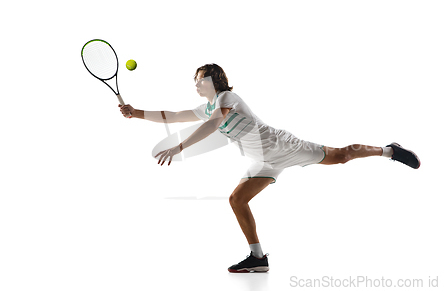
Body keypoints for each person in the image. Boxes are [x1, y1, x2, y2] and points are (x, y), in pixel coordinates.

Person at [119, 63, 420, 273]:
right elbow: (172, 115)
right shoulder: (206, 106)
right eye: (195, 80)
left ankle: (389, 150)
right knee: (237, 199)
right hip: (262, 160)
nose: (196, 83)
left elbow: (214, 124)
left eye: (200, 79)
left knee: (340, 156)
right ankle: (257, 257)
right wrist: (136, 113)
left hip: (282, 146)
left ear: (214, 80)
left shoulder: (226, 97)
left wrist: (180, 146)